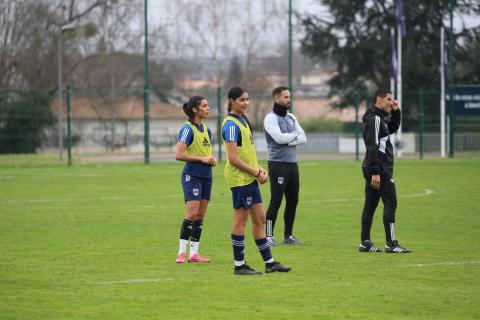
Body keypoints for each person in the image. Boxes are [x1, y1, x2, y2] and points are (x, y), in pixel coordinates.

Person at [222, 87, 292, 275]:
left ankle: (270, 263)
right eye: (241, 100)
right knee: (240, 221)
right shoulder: (229, 124)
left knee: (260, 219)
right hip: (240, 179)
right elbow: (233, 158)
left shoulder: (242, 120)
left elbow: (247, 152)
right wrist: (255, 172)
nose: (246, 103)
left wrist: (258, 168)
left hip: (250, 177)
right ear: (231, 101)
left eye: (247, 99)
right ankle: (239, 265)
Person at [359, 88, 412, 254]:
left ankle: (365, 243)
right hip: (380, 169)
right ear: (379, 100)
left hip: (376, 167)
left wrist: (396, 111)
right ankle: (391, 244)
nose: (391, 102)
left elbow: (392, 128)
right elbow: (372, 145)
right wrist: (375, 172)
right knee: (391, 202)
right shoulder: (374, 119)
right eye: (389, 100)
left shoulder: (378, 118)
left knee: (371, 205)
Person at [175, 96, 217, 263]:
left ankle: (194, 254)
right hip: (191, 176)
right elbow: (179, 154)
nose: (208, 108)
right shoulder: (187, 129)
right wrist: (202, 159)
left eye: (208, 105)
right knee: (191, 214)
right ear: (195, 109)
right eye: (205, 106)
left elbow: (204, 153)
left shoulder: (207, 130)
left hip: (206, 176)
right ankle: (181, 253)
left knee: (200, 216)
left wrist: (210, 159)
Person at [264, 86, 307, 247]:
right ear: (276, 99)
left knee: (293, 201)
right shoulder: (270, 118)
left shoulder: (291, 117)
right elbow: (278, 138)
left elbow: (304, 138)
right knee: (276, 200)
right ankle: (268, 236)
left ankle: (288, 236)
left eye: (290, 97)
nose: (289, 100)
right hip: (277, 165)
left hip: (292, 165)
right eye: (285, 97)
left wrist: (288, 139)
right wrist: (292, 137)